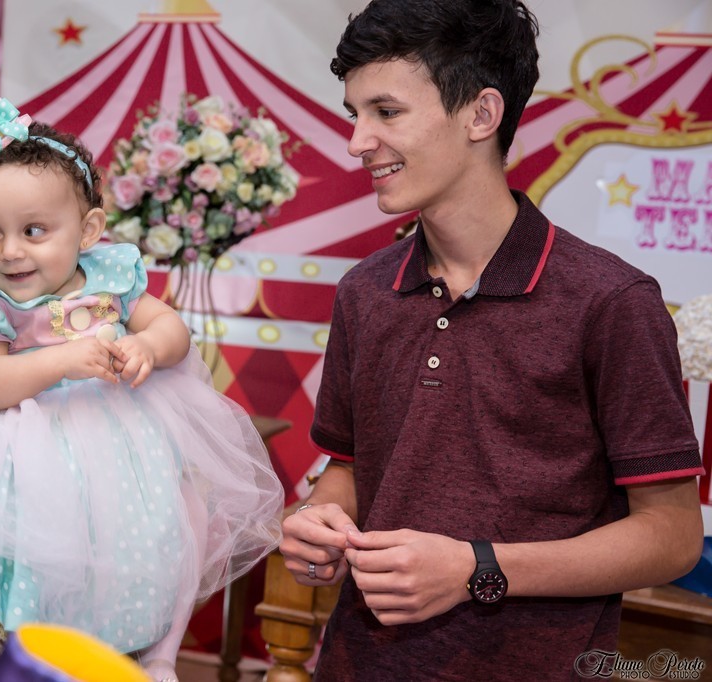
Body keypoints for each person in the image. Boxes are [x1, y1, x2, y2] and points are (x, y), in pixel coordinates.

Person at [278, 0, 705, 679]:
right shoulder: (364, 290)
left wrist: (478, 569)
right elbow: (351, 470)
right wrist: (319, 521)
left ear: (481, 114)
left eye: (385, 113)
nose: (357, 141)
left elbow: (673, 535)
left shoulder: (611, 301)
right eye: (353, 115)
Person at [0, 87, 284, 682]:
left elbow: (171, 328)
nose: (9, 252)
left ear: (88, 229)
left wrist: (147, 345)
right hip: (15, 442)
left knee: (138, 533)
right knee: (2, 536)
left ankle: (136, 649)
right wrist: (59, 362)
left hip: (114, 436)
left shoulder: (112, 276)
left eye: (34, 230)